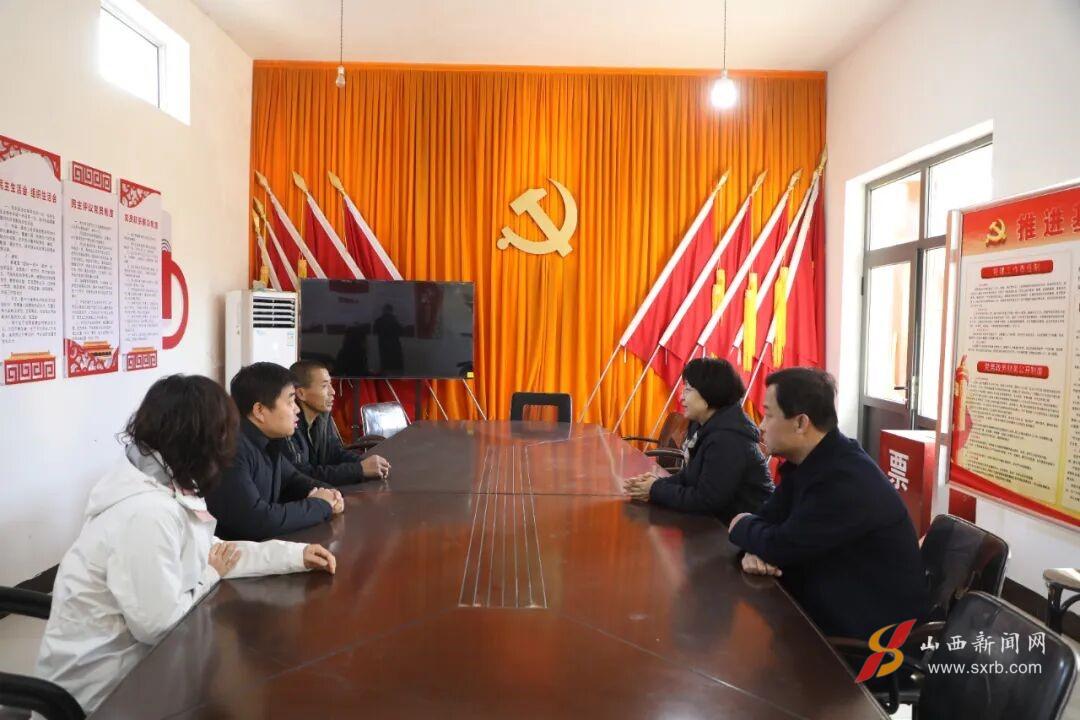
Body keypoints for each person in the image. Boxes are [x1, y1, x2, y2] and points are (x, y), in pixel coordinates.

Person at [35, 375, 337, 714]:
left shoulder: (166, 481)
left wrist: (295, 555)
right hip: (104, 695)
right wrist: (210, 574)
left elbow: (215, 552)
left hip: (145, 669)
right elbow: (159, 625)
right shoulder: (146, 513)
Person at [727, 367, 928, 639]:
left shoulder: (844, 480)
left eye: (769, 415)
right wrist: (757, 548)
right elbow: (769, 524)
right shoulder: (811, 462)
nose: (761, 426)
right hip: (826, 604)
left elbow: (779, 545)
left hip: (869, 638)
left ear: (801, 423)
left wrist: (742, 526)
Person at [205, 362, 345, 541]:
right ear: (259, 410)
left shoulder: (268, 441)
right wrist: (320, 505)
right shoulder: (231, 450)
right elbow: (258, 521)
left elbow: (295, 480)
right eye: (290, 402)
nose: (297, 409)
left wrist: (331, 494)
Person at [623, 358, 773, 524]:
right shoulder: (705, 425)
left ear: (709, 393)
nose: (681, 397)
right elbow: (691, 476)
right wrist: (654, 484)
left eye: (688, 390)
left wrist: (655, 489)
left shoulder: (728, 440)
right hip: (717, 525)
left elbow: (706, 500)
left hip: (742, 532)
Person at [288, 359, 391, 484]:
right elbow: (304, 475)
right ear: (301, 393)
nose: (333, 391)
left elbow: (335, 453)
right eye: (324, 386)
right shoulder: (288, 425)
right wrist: (359, 469)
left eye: (331, 384)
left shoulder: (322, 415)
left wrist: (365, 462)